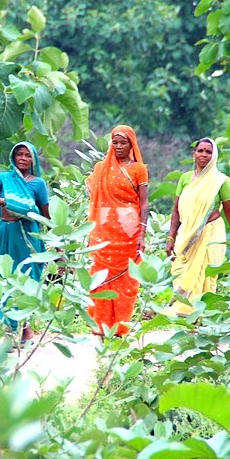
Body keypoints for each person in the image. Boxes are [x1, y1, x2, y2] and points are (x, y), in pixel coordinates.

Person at [0, 141, 51, 341]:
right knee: (3, 276)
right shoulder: (2, 178)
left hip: (28, 235)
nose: (23, 158)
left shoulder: (38, 183)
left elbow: (46, 216)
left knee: (27, 277)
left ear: (33, 160)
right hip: (6, 232)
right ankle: (10, 330)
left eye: (27, 155)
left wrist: (56, 244)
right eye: (19, 154)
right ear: (13, 157)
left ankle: (24, 327)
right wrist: (7, 201)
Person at [165, 137, 230, 316]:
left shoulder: (220, 181)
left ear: (214, 156)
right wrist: (171, 237)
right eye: (200, 151)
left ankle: (203, 316)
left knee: (206, 274)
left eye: (208, 152)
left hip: (210, 234)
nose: (204, 154)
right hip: (186, 235)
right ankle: (183, 312)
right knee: (180, 271)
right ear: (194, 154)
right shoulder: (185, 178)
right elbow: (176, 211)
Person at [85, 125, 149, 337]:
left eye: (123, 142)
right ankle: (101, 326)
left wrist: (142, 233)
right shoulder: (100, 168)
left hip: (128, 232)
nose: (119, 146)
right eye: (115, 142)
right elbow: (93, 199)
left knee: (126, 280)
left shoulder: (138, 169)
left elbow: (144, 203)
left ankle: (120, 327)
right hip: (103, 231)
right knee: (100, 276)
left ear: (132, 144)